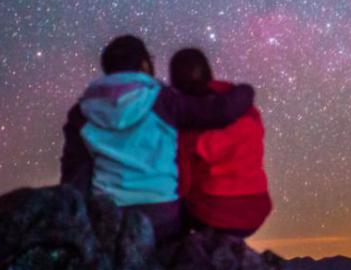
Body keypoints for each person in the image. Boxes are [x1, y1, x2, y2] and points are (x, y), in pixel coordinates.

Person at [60, 35, 255, 242]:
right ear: (144, 65)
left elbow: (75, 175)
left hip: (109, 216)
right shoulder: (163, 100)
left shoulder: (81, 113)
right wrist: (245, 91)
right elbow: (219, 112)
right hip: (162, 216)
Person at [170, 47, 272, 238]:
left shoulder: (187, 122)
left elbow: (184, 183)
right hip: (257, 208)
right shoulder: (244, 106)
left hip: (214, 213)